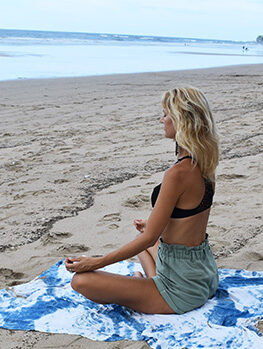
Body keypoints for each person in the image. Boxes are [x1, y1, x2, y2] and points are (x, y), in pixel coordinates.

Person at [65, 87, 220, 314]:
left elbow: (149, 239)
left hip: (182, 290)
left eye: (166, 114)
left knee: (81, 281)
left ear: (180, 121)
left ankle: (144, 285)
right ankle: (143, 282)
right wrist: (151, 228)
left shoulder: (177, 174)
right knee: (141, 240)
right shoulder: (206, 164)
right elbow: (189, 219)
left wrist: (96, 262)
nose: (162, 119)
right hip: (204, 274)